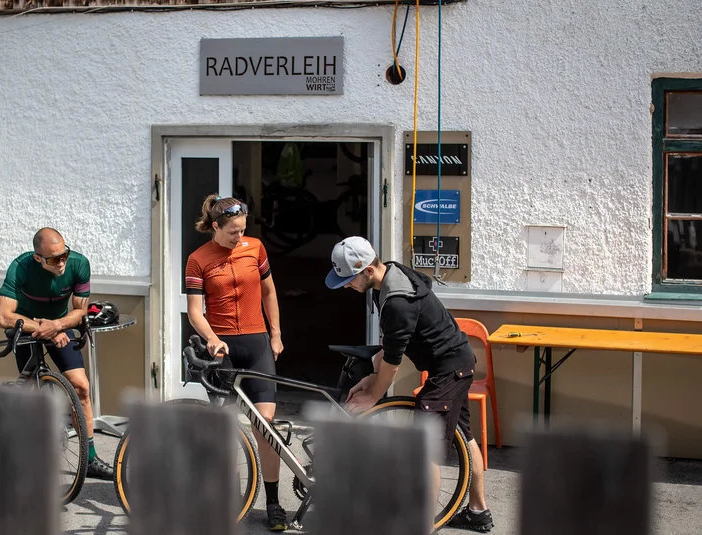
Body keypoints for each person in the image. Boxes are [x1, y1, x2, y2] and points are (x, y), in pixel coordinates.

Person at [325, 236, 494, 533]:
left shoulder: (398, 301)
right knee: (464, 436)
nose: (347, 286)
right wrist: (370, 378)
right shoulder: (389, 277)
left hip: (448, 371)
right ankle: (478, 511)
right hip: (455, 364)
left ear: (367, 270)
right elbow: (388, 344)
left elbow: (393, 361)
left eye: (349, 279)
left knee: (423, 449)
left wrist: (373, 395)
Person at [185, 194, 288, 531]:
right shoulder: (198, 260)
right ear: (215, 226)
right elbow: (195, 312)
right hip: (224, 348)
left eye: (243, 230)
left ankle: (273, 503)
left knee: (266, 428)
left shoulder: (255, 248)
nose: (239, 237)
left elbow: (269, 292)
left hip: (257, 342)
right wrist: (213, 339)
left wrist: (275, 334)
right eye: (232, 232)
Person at [0, 227, 114, 480]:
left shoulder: (79, 264)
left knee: (81, 387)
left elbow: (80, 311)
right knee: (28, 393)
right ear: (38, 258)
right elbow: (4, 316)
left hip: (60, 326)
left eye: (64, 255)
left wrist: (58, 325)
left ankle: (90, 458)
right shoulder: (21, 267)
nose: (61, 263)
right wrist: (43, 327)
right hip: (27, 326)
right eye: (53, 259)